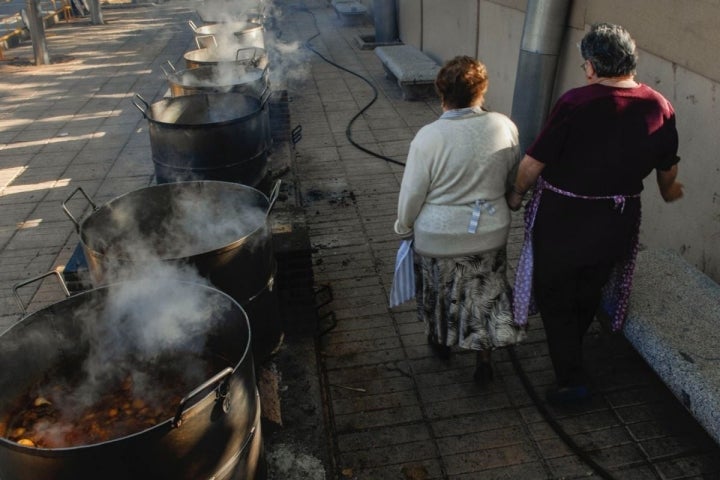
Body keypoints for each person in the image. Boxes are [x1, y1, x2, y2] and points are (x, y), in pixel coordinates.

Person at [507, 23, 684, 405]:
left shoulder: (576, 103)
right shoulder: (658, 104)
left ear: (591, 66)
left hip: (564, 219)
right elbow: (667, 169)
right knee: (589, 287)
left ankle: (571, 379)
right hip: (615, 221)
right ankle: (573, 357)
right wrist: (670, 192)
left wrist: (516, 194)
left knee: (555, 294)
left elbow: (534, 162)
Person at [394, 55, 526, 385]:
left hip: (438, 237)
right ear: (481, 91)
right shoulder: (504, 126)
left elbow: (412, 193)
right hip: (490, 232)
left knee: (441, 292)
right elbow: (513, 174)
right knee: (485, 294)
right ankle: (484, 359)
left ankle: (441, 342)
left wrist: (404, 225)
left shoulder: (428, 137)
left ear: (442, 93)